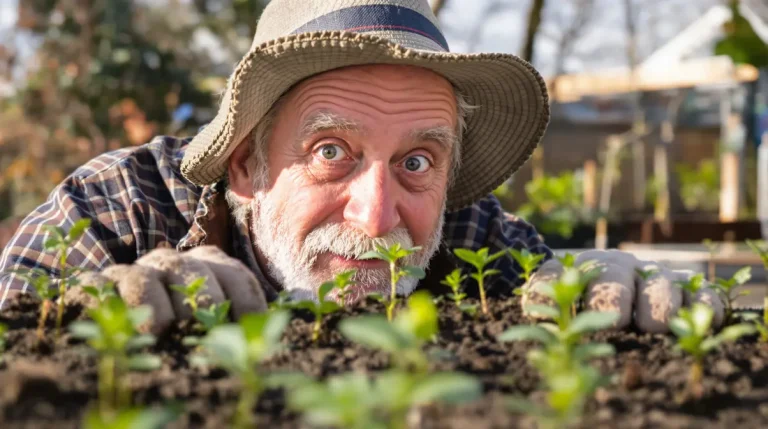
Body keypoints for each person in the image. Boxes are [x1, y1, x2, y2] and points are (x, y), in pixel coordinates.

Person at [0, 0, 721, 334]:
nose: (379, 219)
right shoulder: (115, 206)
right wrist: (78, 313)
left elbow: (587, 302)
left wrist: (614, 294)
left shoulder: (470, 232)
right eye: (330, 153)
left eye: (416, 160)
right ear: (247, 164)